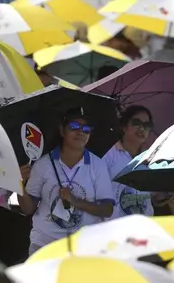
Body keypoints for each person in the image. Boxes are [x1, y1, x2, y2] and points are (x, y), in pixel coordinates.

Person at [18, 107, 115, 255]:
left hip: (84, 247)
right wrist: (18, 185)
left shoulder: (98, 165)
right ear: (62, 131)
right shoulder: (43, 164)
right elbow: (28, 209)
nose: (81, 132)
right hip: (44, 244)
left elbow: (107, 210)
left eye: (86, 128)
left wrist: (76, 202)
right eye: (74, 126)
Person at [103, 105, 155, 219]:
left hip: (143, 229)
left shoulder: (151, 158)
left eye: (147, 125)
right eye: (137, 123)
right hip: (112, 228)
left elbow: (151, 196)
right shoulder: (109, 154)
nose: (142, 129)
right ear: (124, 126)